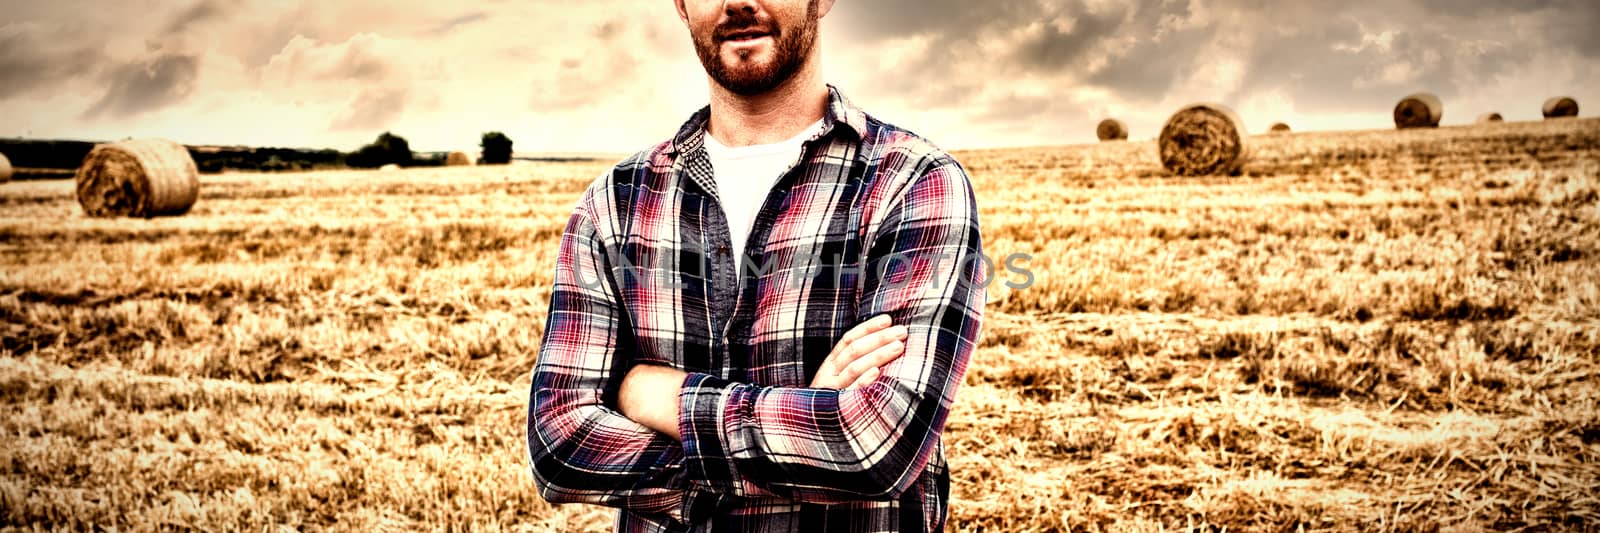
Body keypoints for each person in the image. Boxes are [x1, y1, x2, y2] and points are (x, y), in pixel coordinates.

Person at [526, 0, 985, 530]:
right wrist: (807, 418)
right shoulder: (616, 202)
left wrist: (655, 395)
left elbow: (877, 445)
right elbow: (559, 446)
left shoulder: (912, 182)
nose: (739, 1)